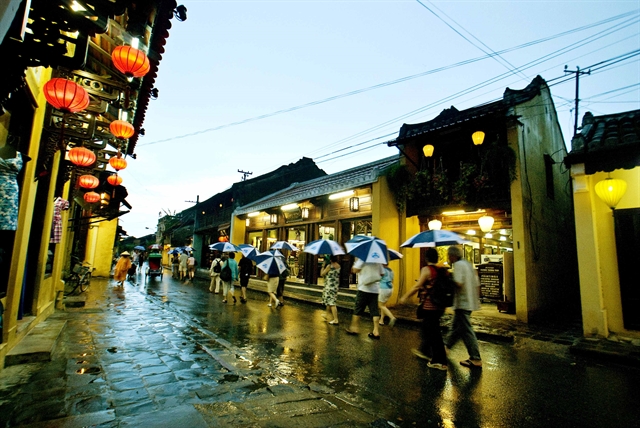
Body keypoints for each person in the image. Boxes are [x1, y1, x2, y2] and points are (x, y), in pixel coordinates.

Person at [400, 248, 448, 371]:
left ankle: (439, 361)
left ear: (426, 258)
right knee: (430, 329)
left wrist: (405, 296)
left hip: (430, 305)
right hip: (440, 306)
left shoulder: (427, 270)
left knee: (434, 332)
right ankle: (427, 352)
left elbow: (418, 285)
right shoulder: (441, 270)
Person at [446, 245, 483, 369]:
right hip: (470, 301)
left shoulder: (457, 265)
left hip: (463, 302)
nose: (448, 258)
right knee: (456, 328)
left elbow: (458, 283)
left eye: (449, 256)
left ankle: (475, 358)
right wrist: (476, 300)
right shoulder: (468, 264)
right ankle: (446, 348)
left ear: (453, 256)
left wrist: (448, 276)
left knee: (466, 330)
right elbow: (477, 284)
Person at [345, 257, 384, 339]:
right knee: (374, 310)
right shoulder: (378, 260)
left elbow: (354, 270)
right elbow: (382, 274)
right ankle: (376, 331)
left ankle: (354, 328)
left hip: (363, 288)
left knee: (358, 308)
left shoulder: (363, 259)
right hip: (375, 289)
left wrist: (356, 263)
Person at [320, 255, 341, 325]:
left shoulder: (329, 266)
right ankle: (326, 314)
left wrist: (323, 266)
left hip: (329, 286)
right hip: (335, 286)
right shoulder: (338, 266)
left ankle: (335, 319)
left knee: (332, 303)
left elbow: (322, 274)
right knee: (330, 300)